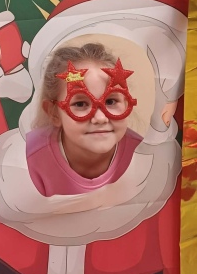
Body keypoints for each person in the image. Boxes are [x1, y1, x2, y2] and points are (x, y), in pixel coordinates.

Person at [27, 43, 142, 196]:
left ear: (126, 104)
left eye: (110, 101)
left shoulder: (143, 155)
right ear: (54, 113)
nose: (100, 118)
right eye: (80, 104)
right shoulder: (28, 158)